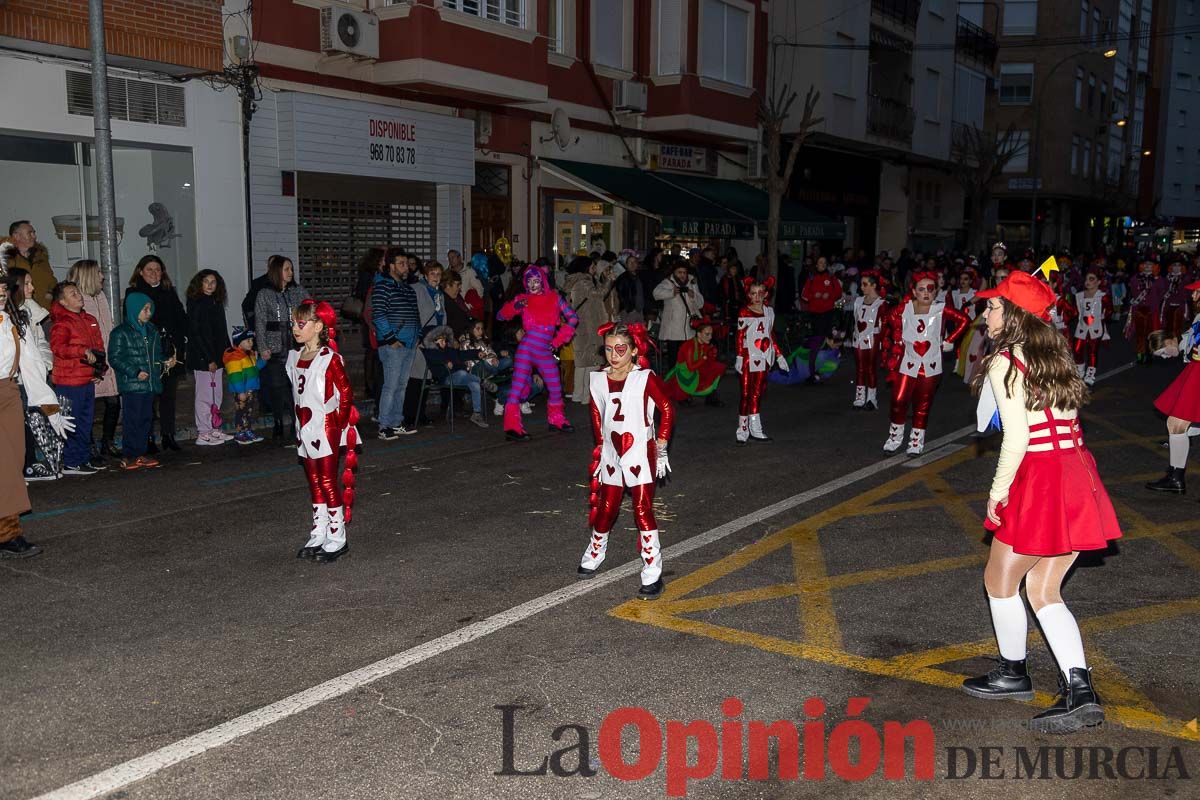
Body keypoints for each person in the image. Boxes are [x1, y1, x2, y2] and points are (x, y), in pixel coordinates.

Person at [963, 270, 1121, 734]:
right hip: (1076, 470)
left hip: (1041, 476)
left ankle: (1015, 673)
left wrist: (996, 494)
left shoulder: (1004, 362)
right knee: (1044, 590)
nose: (985, 313)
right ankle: (1080, 690)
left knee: (998, 579)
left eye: (992, 306)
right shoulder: (1057, 354)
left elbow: (1015, 439)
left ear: (1012, 315)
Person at [578, 322, 675, 599]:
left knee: (642, 509)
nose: (614, 355)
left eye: (620, 349)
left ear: (633, 351)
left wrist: (662, 445)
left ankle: (652, 571)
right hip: (612, 452)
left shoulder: (644, 377)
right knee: (607, 508)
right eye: (609, 349)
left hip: (640, 453)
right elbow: (597, 415)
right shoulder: (597, 379)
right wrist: (600, 448)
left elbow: (667, 408)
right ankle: (596, 550)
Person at [0, 246, 74, 558]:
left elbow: (29, 366)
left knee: (14, 464)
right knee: (3, 466)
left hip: (7, 394)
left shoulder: (11, 320)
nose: (2, 292)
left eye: (4, 287)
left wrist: (50, 407)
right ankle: (8, 534)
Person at [287, 300, 360, 563]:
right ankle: (319, 532)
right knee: (314, 481)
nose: (296, 327)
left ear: (318, 327)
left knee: (328, 480)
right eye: (294, 322)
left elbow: (346, 392)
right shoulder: (294, 357)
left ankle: (337, 536)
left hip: (324, 427)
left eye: (301, 323)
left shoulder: (330, 358)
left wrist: (337, 422)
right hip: (303, 428)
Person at [880, 271, 970, 455]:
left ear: (936, 291)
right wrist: (897, 339)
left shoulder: (941, 308)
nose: (926, 293)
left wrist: (949, 340)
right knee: (898, 399)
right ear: (914, 291)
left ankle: (916, 440)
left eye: (930, 289)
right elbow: (888, 317)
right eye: (921, 289)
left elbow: (964, 320)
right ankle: (895, 437)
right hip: (908, 362)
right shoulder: (905, 308)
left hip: (931, 365)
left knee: (923, 404)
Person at [495, 264, 578, 441]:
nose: (533, 285)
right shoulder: (523, 299)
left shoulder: (555, 298)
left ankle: (556, 420)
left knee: (556, 387)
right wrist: (515, 306)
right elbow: (500, 316)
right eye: (529, 281)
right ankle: (512, 427)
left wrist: (557, 341)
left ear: (543, 281)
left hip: (544, 350)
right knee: (517, 388)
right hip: (526, 348)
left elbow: (573, 318)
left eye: (536, 280)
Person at [128, 255, 188, 452]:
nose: (154, 274)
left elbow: (180, 317)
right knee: (149, 396)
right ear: (141, 272)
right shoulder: (134, 293)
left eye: (158, 270)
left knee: (168, 396)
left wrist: (180, 342)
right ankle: (148, 437)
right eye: (150, 270)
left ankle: (168, 434)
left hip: (170, 349)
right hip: (149, 350)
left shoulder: (168, 291)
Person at [1145, 278, 1200, 494]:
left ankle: (1176, 477)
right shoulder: (1198, 316)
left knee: (1177, 424)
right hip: (1194, 373)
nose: (1193, 297)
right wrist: (1181, 347)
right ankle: (1175, 476)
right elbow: (1191, 340)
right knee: (1175, 424)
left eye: (1197, 293)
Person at [109, 292, 172, 470]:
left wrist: (165, 361)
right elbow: (115, 358)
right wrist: (135, 371)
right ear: (134, 309)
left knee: (146, 419)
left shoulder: (152, 330)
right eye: (144, 309)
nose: (148, 312)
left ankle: (141, 452)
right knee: (133, 419)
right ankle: (129, 454)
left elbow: (156, 354)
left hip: (149, 383)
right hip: (133, 384)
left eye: (150, 309)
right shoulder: (121, 332)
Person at [49, 281, 105, 475]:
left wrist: (99, 370)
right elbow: (58, 348)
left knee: (85, 421)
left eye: (78, 292)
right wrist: (82, 351)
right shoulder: (62, 323)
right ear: (63, 301)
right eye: (72, 294)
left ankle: (82, 458)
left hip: (86, 379)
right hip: (69, 381)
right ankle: (71, 461)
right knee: (71, 421)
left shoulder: (89, 319)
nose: (79, 296)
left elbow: (98, 347)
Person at [66, 260, 119, 461]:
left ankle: (107, 442)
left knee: (113, 402)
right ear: (88, 275)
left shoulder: (101, 296)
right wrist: (94, 365)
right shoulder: (79, 301)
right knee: (88, 407)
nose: (102, 276)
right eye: (98, 272)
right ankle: (89, 446)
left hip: (106, 357)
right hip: (91, 361)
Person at [254, 255, 310, 444]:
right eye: (286, 269)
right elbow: (260, 322)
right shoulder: (264, 293)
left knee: (296, 387)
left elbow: (311, 311)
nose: (290, 273)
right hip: (275, 347)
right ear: (277, 271)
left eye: (291, 269)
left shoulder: (298, 291)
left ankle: (297, 422)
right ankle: (278, 421)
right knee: (277, 388)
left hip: (296, 346)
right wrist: (262, 347)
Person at [372, 249, 420, 440]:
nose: (405, 267)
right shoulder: (382, 286)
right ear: (390, 266)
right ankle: (384, 425)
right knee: (391, 386)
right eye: (401, 263)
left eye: (406, 263)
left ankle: (396, 422)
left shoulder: (408, 288)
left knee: (402, 385)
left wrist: (418, 335)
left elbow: (415, 315)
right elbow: (378, 315)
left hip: (408, 344)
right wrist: (391, 339)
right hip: (393, 346)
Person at [735, 277, 788, 444]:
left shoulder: (769, 312)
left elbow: (770, 335)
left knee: (758, 393)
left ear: (766, 294)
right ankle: (742, 429)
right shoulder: (744, 312)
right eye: (753, 293)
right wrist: (739, 356)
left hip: (764, 357)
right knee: (745, 393)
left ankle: (755, 428)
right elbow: (740, 336)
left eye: (760, 293)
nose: (757, 297)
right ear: (748, 295)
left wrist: (779, 356)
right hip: (748, 358)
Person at [186, 269, 233, 445]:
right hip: (203, 358)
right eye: (206, 281)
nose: (210, 285)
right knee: (204, 396)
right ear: (199, 284)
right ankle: (203, 431)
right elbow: (197, 334)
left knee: (216, 395)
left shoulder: (216, 302)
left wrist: (228, 353)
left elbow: (221, 331)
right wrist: (208, 360)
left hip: (217, 355)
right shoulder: (196, 304)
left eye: (213, 282)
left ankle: (214, 428)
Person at [563, 255, 616, 403]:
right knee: (592, 361)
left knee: (582, 362)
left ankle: (579, 394)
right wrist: (609, 280)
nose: (594, 269)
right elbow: (599, 295)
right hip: (588, 326)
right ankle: (586, 395)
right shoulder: (584, 282)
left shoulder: (577, 281)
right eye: (592, 267)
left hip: (581, 325)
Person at [422, 325, 488, 428]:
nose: (444, 342)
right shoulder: (430, 351)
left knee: (474, 385)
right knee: (462, 373)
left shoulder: (450, 350)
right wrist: (445, 361)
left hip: (460, 378)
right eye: (440, 340)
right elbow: (435, 357)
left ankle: (476, 414)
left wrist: (477, 353)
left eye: (444, 339)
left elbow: (462, 354)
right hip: (446, 379)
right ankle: (482, 381)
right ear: (434, 341)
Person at [663, 317, 726, 406]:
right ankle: (685, 396)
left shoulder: (705, 344)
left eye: (711, 334)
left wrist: (711, 355)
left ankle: (711, 395)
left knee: (718, 367)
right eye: (707, 334)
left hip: (696, 369)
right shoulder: (689, 346)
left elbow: (708, 363)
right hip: (685, 373)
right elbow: (690, 368)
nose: (710, 337)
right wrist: (704, 358)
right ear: (699, 334)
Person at [652, 262, 704, 369]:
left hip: (688, 329)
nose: (682, 275)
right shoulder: (668, 282)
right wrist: (672, 292)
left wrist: (693, 295)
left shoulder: (692, 283)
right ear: (674, 272)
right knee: (673, 358)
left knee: (687, 357)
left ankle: (685, 378)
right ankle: (672, 378)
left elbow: (700, 303)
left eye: (684, 272)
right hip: (673, 329)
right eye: (679, 272)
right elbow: (656, 293)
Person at [800, 257, 841, 383]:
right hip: (815, 314)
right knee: (817, 342)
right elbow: (804, 295)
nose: (822, 265)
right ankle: (812, 372)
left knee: (825, 340)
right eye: (820, 263)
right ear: (816, 265)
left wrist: (830, 296)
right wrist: (814, 296)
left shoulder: (832, 278)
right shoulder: (811, 278)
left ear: (826, 265)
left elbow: (838, 293)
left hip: (828, 313)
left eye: (824, 263)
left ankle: (821, 369)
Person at [850, 270, 887, 410]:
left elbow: (884, 325)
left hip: (873, 339)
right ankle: (859, 397)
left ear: (873, 285)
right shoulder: (858, 301)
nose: (862, 287)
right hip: (859, 338)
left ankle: (872, 399)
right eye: (861, 284)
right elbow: (855, 320)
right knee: (860, 368)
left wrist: (882, 341)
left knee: (871, 368)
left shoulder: (881, 303)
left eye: (865, 284)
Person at [223, 327, 265, 445]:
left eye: (252, 340)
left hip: (250, 388)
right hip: (241, 390)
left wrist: (263, 360)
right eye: (248, 340)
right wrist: (240, 391)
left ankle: (247, 430)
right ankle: (240, 433)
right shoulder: (234, 356)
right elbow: (235, 375)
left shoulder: (249, 354)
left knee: (248, 411)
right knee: (241, 411)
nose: (251, 343)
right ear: (239, 342)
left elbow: (254, 369)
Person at [1071, 267, 1112, 386]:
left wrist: (1105, 316)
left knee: (1092, 351)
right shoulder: (1079, 295)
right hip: (1082, 326)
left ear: (1099, 282)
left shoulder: (1103, 296)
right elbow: (1076, 311)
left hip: (1096, 327)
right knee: (1077, 349)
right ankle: (1080, 370)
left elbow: (1109, 311)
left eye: (1091, 279)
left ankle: (1090, 373)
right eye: (1086, 279)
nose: (1087, 282)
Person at [6, 221, 55, 305]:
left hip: (45, 309)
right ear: (16, 236)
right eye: (30, 233)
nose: (34, 236)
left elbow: (51, 280)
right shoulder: (6, 260)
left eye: (34, 233)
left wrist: (51, 293)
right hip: (20, 309)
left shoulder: (40, 256)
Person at [1125, 259, 1163, 365]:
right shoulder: (1135, 278)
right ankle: (1140, 355)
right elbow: (1132, 291)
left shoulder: (1158, 279)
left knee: (1151, 333)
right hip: (1139, 310)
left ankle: (1149, 354)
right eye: (1145, 264)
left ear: (1154, 266)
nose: (1147, 266)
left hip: (1152, 310)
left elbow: (1161, 293)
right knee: (1140, 334)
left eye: (1150, 264)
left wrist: (1155, 303)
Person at [441, 269, 476, 337]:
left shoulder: (457, 297)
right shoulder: (443, 301)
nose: (460, 288)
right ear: (448, 285)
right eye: (458, 285)